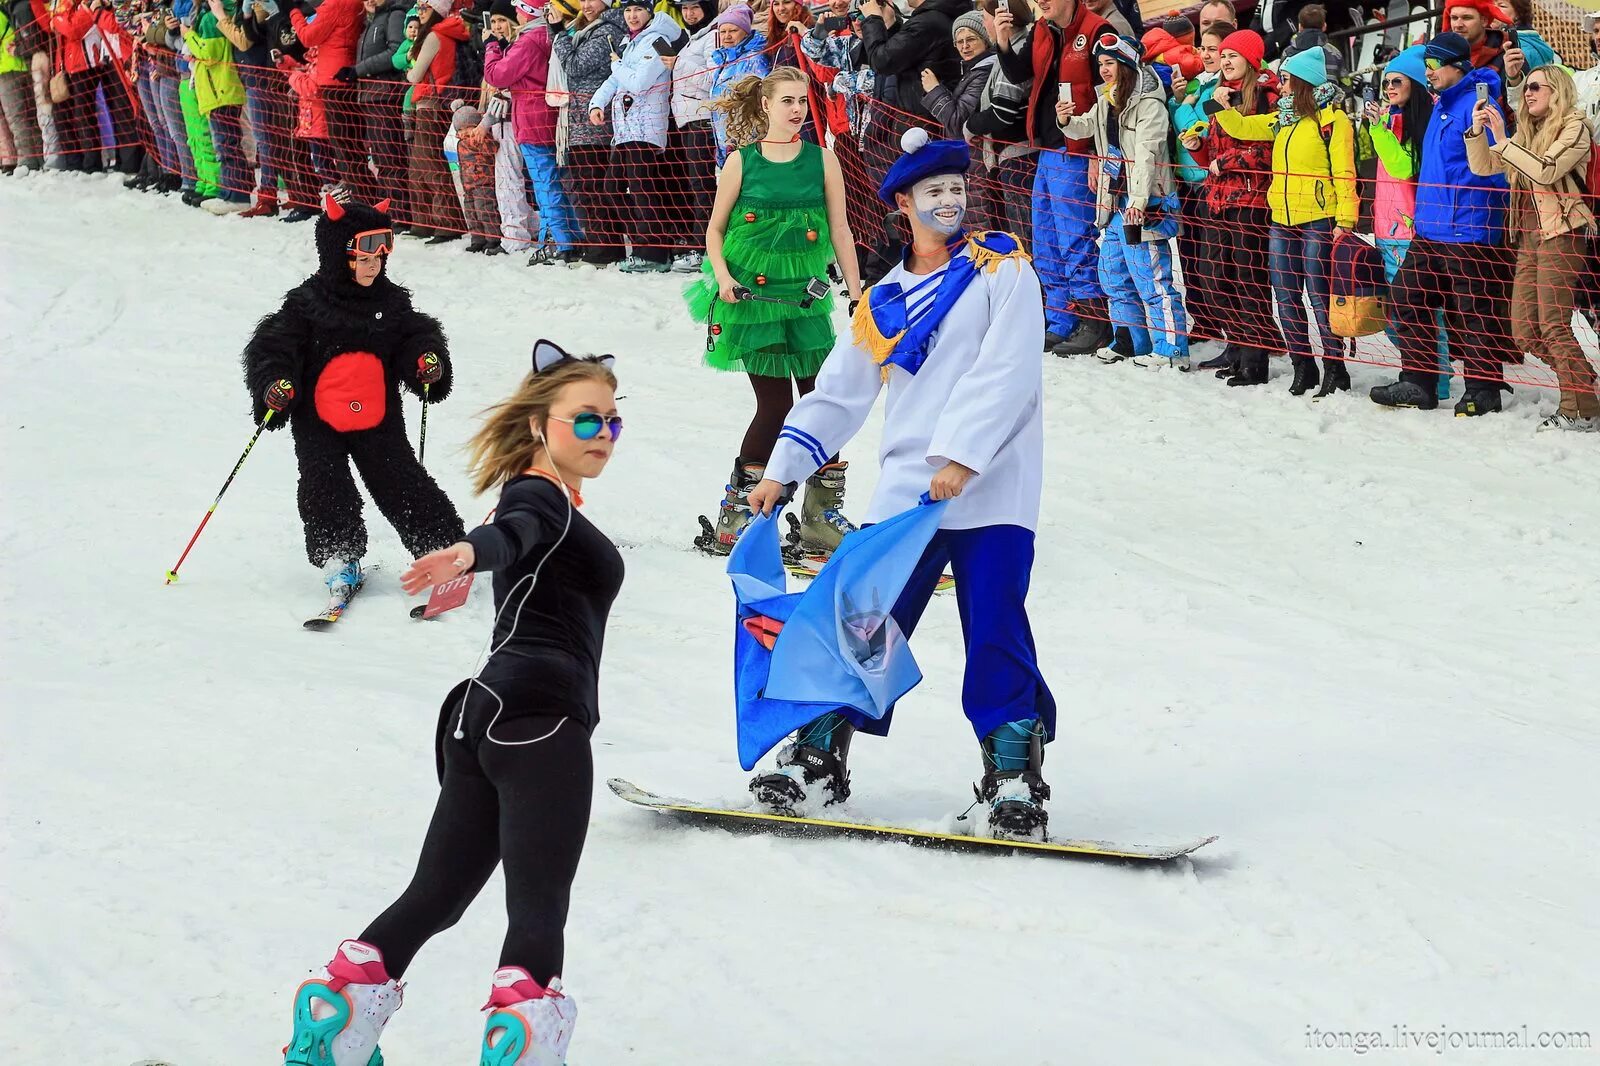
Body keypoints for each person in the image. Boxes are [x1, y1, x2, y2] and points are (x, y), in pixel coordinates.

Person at [280, 342, 624, 1066]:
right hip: (539, 720)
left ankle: (341, 1011)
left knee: (437, 892)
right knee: (537, 909)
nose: (603, 436)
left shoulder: (547, 498)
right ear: (540, 425)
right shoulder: (539, 496)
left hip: (482, 715)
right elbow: (510, 534)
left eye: (613, 422)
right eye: (586, 420)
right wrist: (468, 554)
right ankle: (525, 1042)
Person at [742, 128, 1056, 842]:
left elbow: (1006, 373)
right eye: (934, 193)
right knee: (861, 621)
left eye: (957, 190)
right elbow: (839, 393)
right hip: (907, 495)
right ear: (903, 206)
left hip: (991, 488)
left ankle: (1013, 774)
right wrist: (782, 470)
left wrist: (963, 457)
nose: (950, 202)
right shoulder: (882, 297)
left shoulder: (1004, 273)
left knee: (998, 630)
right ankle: (819, 756)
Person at [241, 194, 465, 596]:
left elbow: (415, 337)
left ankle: (441, 550)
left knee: (401, 480)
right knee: (324, 484)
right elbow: (272, 349)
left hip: (377, 416)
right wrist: (274, 384)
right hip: (318, 419)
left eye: (379, 257)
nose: (373, 265)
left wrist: (426, 361)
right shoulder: (307, 304)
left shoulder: (391, 302)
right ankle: (339, 555)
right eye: (363, 258)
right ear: (336, 256)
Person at [685, 66, 864, 557]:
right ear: (765, 106)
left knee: (821, 403)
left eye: (802, 102)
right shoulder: (742, 162)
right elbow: (715, 231)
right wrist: (722, 277)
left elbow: (841, 230)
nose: (797, 110)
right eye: (787, 101)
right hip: (752, 300)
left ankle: (820, 516)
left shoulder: (823, 160)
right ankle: (738, 513)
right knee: (776, 406)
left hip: (805, 300)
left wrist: (855, 289)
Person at [1369, 31, 1511, 415]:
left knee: (1472, 311)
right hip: (1430, 228)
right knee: (1405, 297)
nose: (1427, 71)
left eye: (1433, 65)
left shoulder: (1478, 106)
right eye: (1426, 65)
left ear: (1457, 65)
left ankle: (1483, 389)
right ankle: (1419, 382)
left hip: (1467, 227)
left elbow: (1498, 168)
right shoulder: (1442, 104)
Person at [1212, 45, 1356, 395]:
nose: (1283, 85)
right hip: (1282, 218)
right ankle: (1302, 366)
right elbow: (1245, 127)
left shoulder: (1332, 119)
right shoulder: (1283, 118)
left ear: (1305, 81)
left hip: (1318, 220)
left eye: (1288, 79)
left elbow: (1346, 171)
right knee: (1286, 296)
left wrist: (1346, 220)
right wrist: (1223, 106)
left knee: (1319, 298)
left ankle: (1335, 369)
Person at [1466, 64, 1597, 431]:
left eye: (1537, 87)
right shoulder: (1527, 131)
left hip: (1562, 232)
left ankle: (1578, 408)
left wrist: (1502, 137)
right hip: (1528, 236)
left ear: (1558, 91)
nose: (1528, 92)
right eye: (1526, 87)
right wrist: (1479, 132)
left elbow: (1545, 170)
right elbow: (1483, 165)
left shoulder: (1575, 128)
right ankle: (1584, 386)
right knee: (1524, 331)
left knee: (1554, 326)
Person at [1058, 32, 1189, 367]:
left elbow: (1147, 156)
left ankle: (1172, 349)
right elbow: (1085, 127)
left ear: (1128, 64)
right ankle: (1131, 341)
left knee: (1152, 278)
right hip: (1113, 204)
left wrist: (1138, 202)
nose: (1103, 69)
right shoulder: (1107, 99)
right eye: (1100, 63)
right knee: (1113, 276)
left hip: (1145, 205)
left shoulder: (1150, 105)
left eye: (1110, 62)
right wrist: (1065, 120)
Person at [994, 0, 1112, 355]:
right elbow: (1018, 73)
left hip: (1077, 149)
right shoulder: (1042, 29)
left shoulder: (1097, 31)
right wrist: (1002, 40)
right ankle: (1061, 317)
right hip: (1047, 147)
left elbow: (1110, 94)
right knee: (1045, 239)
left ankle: (1095, 321)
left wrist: (1098, 151)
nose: (1042, 1)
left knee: (1075, 237)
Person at [1365, 44, 1452, 401]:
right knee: (1400, 312)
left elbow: (1403, 168)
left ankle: (1434, 379)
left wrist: (1378, 130)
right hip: (1386, 229)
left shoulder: (1419, 123)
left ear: (1415, 83)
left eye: (1397, 80)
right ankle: (1418, 374)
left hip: (1407, 230)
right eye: (1386, 81)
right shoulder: (1392, 119)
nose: (1389, 87)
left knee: (1415, 311)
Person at [484, 0, 580, 264]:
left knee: (544, 181)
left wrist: (492, 47)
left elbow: (497, 75)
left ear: (528, 12)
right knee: (557, 179)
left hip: (531, 118)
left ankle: (557, 241)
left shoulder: (528, 41)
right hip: (552, 116)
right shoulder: (550, 34)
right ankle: (572, 237)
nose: (516, 14)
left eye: (519, 9)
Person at [587, 0, 679, 272]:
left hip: (646, 127)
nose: (632, 15)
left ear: (649, 12)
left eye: (638, 9)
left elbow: (640, 82)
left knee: (643, 191)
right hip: (625, 130)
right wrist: (596, 103)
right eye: (627, 10)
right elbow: (615, 82)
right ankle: (644, 244)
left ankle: (655, 252)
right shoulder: (631, 42)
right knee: (612, 189)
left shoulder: (658, 40)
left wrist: (616, 65)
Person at [550, 0, 626, 264]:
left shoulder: (608, 30)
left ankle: (605, 249)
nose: (586, 4)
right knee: (585, 188)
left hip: (595, 126)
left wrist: (557, 31)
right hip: (581, 123)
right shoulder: (588, 29)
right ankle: (599, 246)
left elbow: (575, 65)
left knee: (593, 188)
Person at [406, 0, 472, 241]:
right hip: (435, 105)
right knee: (419, 168)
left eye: (425, 8)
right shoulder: (446, 33)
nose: (419, 13)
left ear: (437, 10)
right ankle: (423, 221)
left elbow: (415, 74)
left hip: (430, 106)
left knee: (431, 166)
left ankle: (447, 223)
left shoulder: (434, 36)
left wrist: (409, 71)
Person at [663, 0, 717, 271]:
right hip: (687, 119)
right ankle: (701, 243)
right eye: (684, 9)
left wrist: (678, 65)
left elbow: (712, 79)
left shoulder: (712, 36)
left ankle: (705, 247)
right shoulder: (691, 40)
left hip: (702, 119)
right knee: (695, 184)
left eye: (695, 7)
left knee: (703, 185)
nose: (689, 13)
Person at [856, 0, 965, 123]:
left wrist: (872, 19)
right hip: (926, 116)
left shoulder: (926, 23)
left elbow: (882, 62)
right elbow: (903, 54)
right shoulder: (940, 15)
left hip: (922, 121)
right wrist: (891, 24)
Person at [705, 4, 767, 164]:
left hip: (747, 138)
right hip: (726, 138)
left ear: (745, 32)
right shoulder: (723, 61)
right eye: (723, 31)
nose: (727, 36)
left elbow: (760, 99)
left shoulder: (753, 59)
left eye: (733, 31)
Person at [922, 10, 994, 143]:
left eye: (971, 39)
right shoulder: (974, 68)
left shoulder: (984, 72)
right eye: (959, 41)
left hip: (979, 155)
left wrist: (934, 90)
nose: (964, 46)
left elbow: (957, 124)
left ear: (986, 40)